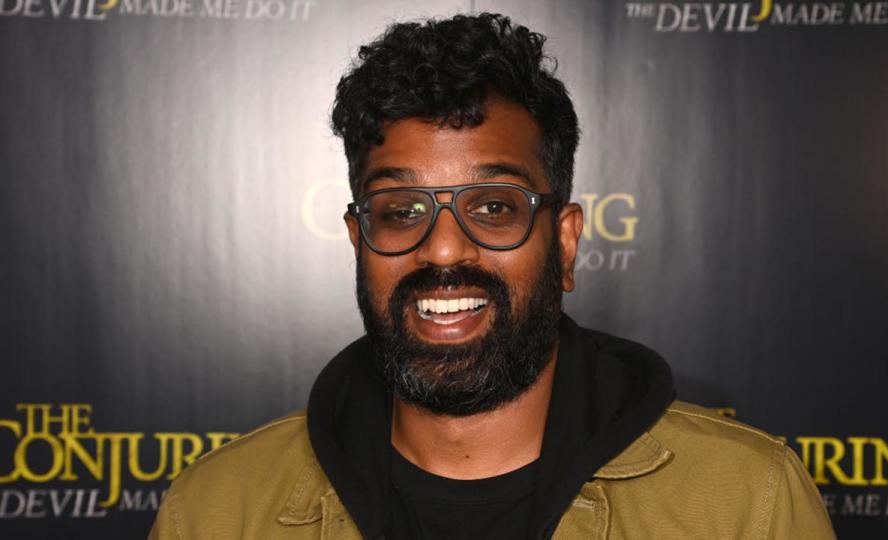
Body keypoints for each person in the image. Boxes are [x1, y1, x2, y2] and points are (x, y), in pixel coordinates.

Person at [149, 13, 835, 540]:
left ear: (564, 243)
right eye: (401, 210)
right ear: (359, 241)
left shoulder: (748, 503)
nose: (444, 251)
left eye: (495, 207)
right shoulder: (218, 512)